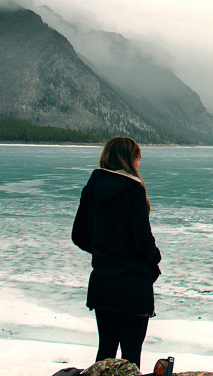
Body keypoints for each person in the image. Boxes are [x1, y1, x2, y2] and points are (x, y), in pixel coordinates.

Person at [72, 137, 162, 368]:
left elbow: (78, 236)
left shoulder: (91, 187)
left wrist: (104, 252)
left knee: (105, 351)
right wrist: (154, 260)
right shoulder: (133, 190)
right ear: (128, 160)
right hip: (133, 284)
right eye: (138, 158)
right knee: (131, 355)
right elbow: (143, 242)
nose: (140, 163)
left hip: (103, 281)